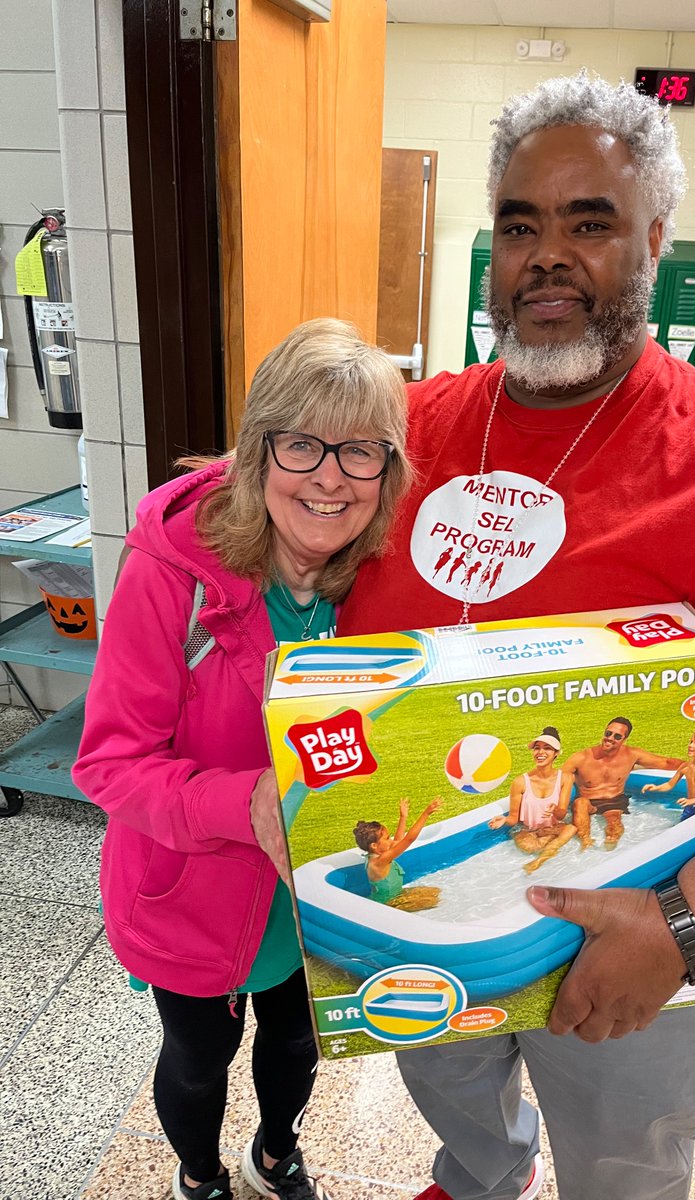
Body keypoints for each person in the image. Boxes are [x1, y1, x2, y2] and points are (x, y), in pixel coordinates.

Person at [337, 73, 695, 1200]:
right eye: (520, 224)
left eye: (589, 222)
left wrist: (690, 927)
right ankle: (485, 1176)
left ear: (654, 239)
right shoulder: (402, 436)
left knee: (626, 1164)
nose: (550, 254)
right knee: (459, 1114)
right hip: (434, 921)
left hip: (632, 936)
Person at [73, 319, 412, 1200]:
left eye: (361, 451)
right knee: (196, 1057)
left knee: (297, 1043)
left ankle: (275, 1154)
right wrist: (247, 805)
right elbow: (109, 763)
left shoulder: (383, 578)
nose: (331, 477)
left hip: (317, 898)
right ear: (258, 451)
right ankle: (198, 1174)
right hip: (194, 891)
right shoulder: (174, 571)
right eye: (302, 445)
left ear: (389, 468)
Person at [562, 717, 685, 849]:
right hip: (587, 800)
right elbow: (558, 781)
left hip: (615, 801)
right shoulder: (581, 758)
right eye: (608, 733)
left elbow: (666, 763)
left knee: (614, 825)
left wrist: (693, 766)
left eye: (617, 736)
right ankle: (585, 843)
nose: (610, 738)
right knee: (580, 804)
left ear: (624, 739)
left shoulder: (631, 755)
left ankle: (610, 848)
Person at [488, 726, 578, 872]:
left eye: (547, 748)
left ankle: (539, 861)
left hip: (551, 828)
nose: (540, 752)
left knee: (572, 828)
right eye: (537, 748)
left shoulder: (565, 778)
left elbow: (561, 814)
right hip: (527, 830)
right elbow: (513, 819)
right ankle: (547, 847)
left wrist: (555, 810)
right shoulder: (520, 782)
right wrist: (504, 820)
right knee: (530, 847)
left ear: (556, 753)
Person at [354, 797, 443, 910]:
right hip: (388, 904)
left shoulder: (377, 855)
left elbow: (398, 841)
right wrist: (426, 814)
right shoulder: (379, 862)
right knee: (433, 901)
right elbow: (408, 840)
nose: (391, 841)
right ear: (374, 846)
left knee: (435, 891)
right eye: (387, 838)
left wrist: (403, 817)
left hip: (396, 895)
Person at [643, 728, 695, 822]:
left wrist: (691, 801)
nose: (690, 745)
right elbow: (669, 785)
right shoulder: (685, 766)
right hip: (690, 807)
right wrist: (654, 788)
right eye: (691, 742)